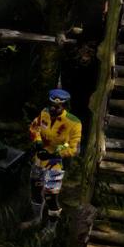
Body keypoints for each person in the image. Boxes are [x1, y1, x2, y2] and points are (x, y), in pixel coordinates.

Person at [19, 88, 82, 235]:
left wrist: (55, 153)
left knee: (50, 196)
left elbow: (74, 148)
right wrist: (37, 141)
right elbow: (34, 128)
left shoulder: (74, 123)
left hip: (55, 164)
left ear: (64, 106)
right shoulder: (44, 113)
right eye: (51, 105)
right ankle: (36, 219)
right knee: (35, 192)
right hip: (39, 161)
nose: (53, 109)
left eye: (57, 107)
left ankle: (51, 228)